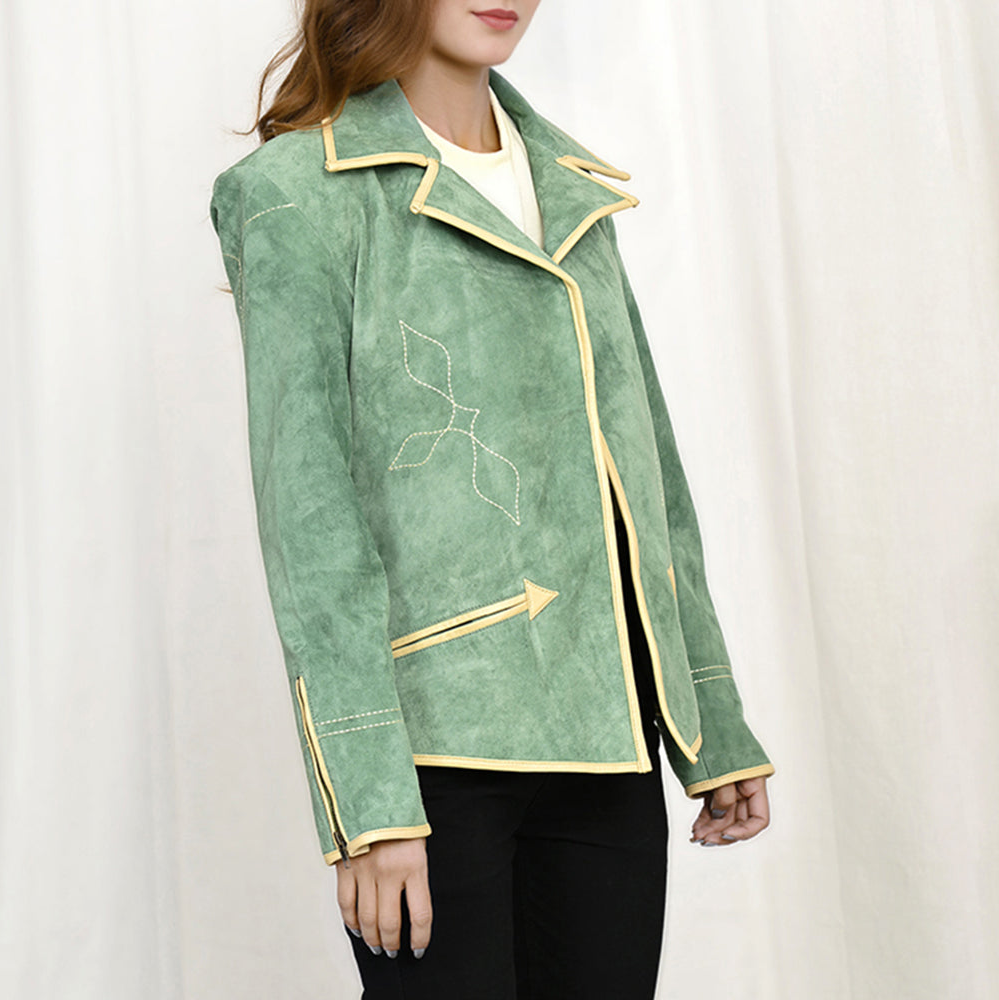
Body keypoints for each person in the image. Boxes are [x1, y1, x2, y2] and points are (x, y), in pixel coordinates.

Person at [210, 2, 775, 996]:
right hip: (433, 762)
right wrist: (369, 805)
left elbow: (648, 475)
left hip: (610, 748)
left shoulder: (573, 190)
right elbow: (311, 526)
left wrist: (709, 712)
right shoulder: (295, 194)